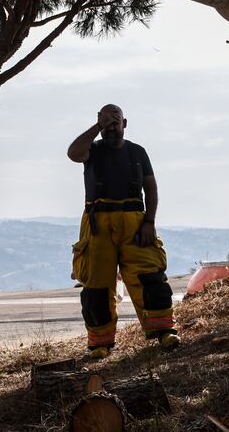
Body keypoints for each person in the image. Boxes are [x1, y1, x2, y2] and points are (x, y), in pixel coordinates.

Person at [68, 104, 180, 358]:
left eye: (116, 120)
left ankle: (164, 332)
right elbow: (73, 153)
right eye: (106, 121)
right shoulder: (92, 150)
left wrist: (149, 222)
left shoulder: (137, 152)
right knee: (96, 285)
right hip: (98, 223)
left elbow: (151, 189)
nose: (112, 125)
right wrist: (98, 127)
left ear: (125, 123)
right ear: (99, 122)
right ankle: (100, 344)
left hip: (135, 220)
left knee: (150, 275)